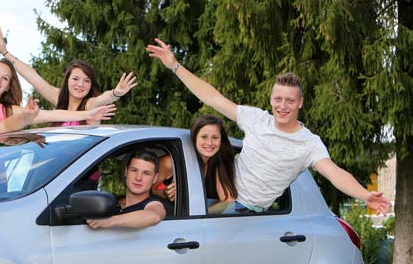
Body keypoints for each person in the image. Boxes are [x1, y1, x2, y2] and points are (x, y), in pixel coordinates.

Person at [146, 38, 392, 214]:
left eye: (290, 101)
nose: (282, 106)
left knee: (179, 224)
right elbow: (213, 98)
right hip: (216, 183)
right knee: (165, 177)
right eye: (278, 99)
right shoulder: (257, 119)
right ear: (271, 99)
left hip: (240, 208)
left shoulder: (308, 143)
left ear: (300, 103)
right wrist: (175, 66)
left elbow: (335, 173)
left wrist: (364, 194)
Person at [0, 28, 137, 124]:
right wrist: (6, 53)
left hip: (84, 170)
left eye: (86, 81)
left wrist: (115, 93)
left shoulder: (89, 105)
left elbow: (102, 99)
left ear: (91, 85)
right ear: (67, 80)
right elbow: (33, 77)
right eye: (75, 79)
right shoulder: (58, 98)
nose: (80, 84)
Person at [156, 115, 237, 213]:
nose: (209, 143)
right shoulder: (171, 161)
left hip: (200, 222)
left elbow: (228, 201)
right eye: (204, 137)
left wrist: (200, 214)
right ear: (195, 137)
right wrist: (165, 193)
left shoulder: (219, 161)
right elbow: (151, 189)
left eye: (215, 137)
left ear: (221, 140)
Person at [86, 150, 168, 229]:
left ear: (155, 178)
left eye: (146, 173)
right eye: (134, 170)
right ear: (126, 172)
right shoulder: (114, 200)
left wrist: (111, 220)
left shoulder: (154, 204)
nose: (138, 178)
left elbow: (154, 216)